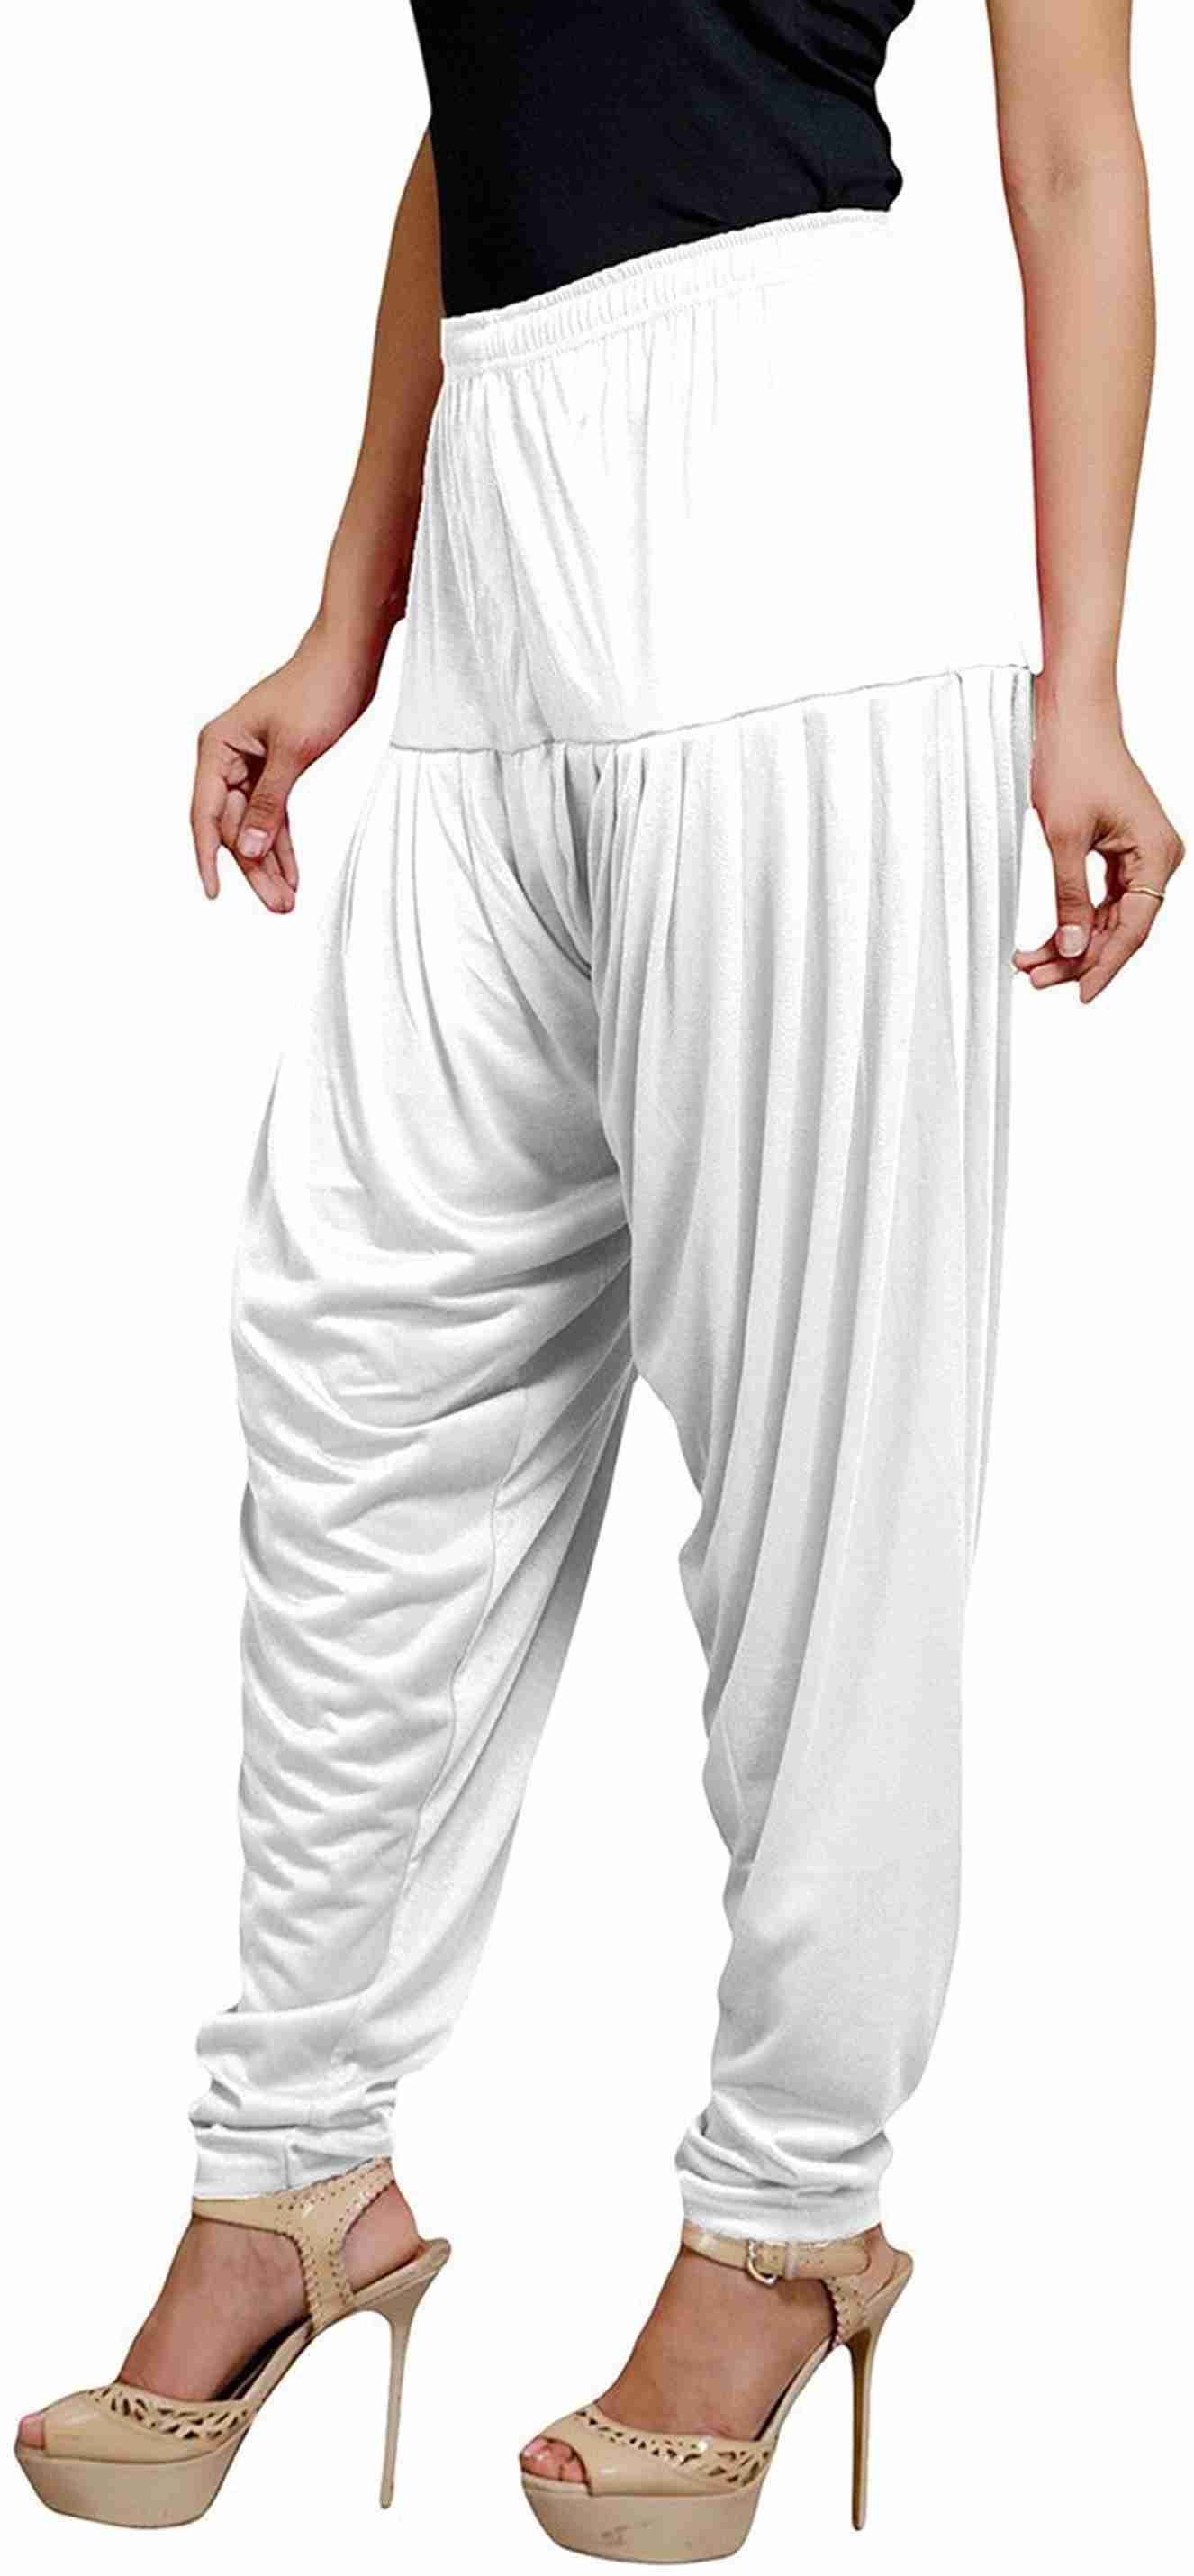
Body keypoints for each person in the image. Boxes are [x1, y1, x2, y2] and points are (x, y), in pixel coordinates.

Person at [16, 0, 1182, 2554]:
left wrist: (1087, 676)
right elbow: (482, 127)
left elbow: (1077, 159)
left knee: (816, 1465)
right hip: (503, 544)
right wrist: (349, 619)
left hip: (804, 503)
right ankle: (291, 2168)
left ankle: (792, 2213)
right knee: (360, 1379)